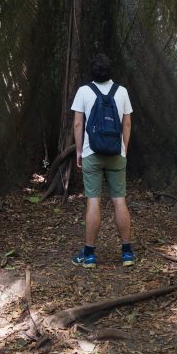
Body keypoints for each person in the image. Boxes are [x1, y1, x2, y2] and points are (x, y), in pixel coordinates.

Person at [70, 53, 135, 267]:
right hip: (117, 154)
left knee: (93, 201)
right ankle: (127, 253)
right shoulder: (122, 92)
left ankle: (89, 255)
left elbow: (78, 125)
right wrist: (123, 148)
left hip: (92, 153)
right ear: (110, 71)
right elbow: (126, 124)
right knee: (119, 200)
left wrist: (79, 150)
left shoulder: (84, 91)